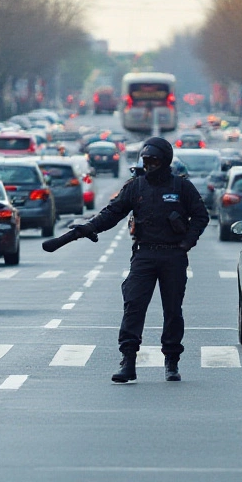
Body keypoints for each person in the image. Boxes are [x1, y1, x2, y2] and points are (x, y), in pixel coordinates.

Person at [43, 136, 209, 383]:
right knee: (133, 306)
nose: (150, 165)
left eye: (154, 160)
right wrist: (89, 228)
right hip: (144, 254)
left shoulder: (181, 187)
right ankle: (128, 361)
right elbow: (113, 213)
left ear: (165, 161)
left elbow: (200, 216)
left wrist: (187, 242)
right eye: (147, 160)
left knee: (172, 310)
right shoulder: (136, 186)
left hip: (173, 255)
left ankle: (171, 361)